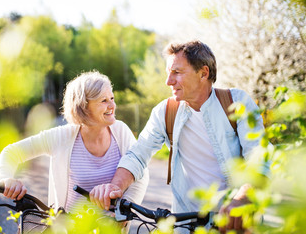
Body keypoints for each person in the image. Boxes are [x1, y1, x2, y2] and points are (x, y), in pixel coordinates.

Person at [90, 41, 268, 233]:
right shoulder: (165, 111)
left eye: (177, 72)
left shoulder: (237, 103)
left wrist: (242, 199)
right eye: (168, 73)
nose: (168, 81)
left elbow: (259, 157)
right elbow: (138, 154)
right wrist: (115, 187)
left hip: (234, 221)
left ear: (203, 73)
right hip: (185, 224)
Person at [0, 71, 149, 224]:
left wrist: (123, 211)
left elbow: (140, 173)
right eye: (103, 100)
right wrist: (5, 178)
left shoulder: (120, 131)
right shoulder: (61, 137)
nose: (112, 105)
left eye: (112, 98)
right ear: (83, 107)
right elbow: (11, 152)